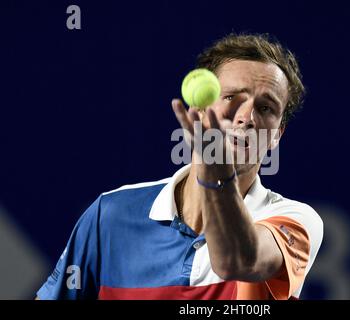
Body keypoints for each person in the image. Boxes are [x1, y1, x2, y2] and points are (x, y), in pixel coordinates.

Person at [36, 33, 323, 300]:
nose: (247, 118)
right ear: (199, 109)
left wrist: (217, 174)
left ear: (277, 135)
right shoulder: (109, 215)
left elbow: (238, 260)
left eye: (265, 108)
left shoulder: (295, 221)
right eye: (232, 97)